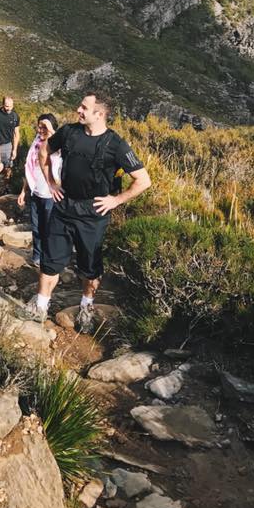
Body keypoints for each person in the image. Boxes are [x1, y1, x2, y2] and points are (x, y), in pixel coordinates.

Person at [17, 91, 151, 332]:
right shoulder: (69, 132)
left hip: (93, 214)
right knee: (50, 260)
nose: (78, 110)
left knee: (90, 266)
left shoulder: (116, 145)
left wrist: (116, 200)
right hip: (64, 205)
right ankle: (40, 306)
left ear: (99, 114)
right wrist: (51, 182)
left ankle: (86, 307)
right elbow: (43, 150)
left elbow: (143, 180)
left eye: (84, 108)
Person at [17, 113, 62, 267]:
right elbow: (29, 169)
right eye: (39, 126)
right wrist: (24, 191)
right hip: (36, 192)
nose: (41, 130)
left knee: (49, 229)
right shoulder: (35, 143)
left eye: (45, 127)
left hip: (51, 195)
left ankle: (50, 257)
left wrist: (51, 131)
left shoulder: (58, 145)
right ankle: (37, 255)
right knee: (36, 227)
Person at [0, 96, 21, 183]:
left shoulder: (15, 117)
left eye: (11, 106)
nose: (9, 108)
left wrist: (14, 150)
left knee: (7, 167)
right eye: (7, 106)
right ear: (3, 104)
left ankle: (5, 186)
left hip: (7, 145)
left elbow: (16, 134)